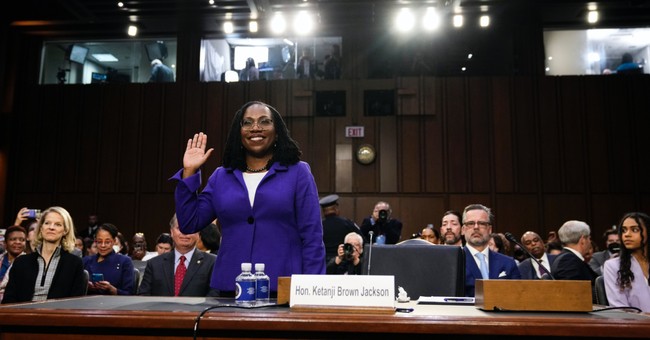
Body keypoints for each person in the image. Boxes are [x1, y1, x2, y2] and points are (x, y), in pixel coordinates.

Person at [170, 100, 325, 296]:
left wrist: (312, 290)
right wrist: (189, 172)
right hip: (230, 287)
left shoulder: (298, 172)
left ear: (277, 132)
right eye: (247, 123)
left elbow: (312, 237)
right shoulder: (221, 176)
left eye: (264, 121)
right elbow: (189, 222)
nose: (256, 128)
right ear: (238, 132)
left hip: (283, 287)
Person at [2, 206, 85, 303]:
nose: (51, 227)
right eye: (47, 223)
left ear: (65, 230)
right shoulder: (21, 262)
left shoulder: (74, 263)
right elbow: (8, 300)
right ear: (41, 228)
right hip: (23, 315)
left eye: (58, 224)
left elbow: (76, 302)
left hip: (57, 315)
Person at [139, 214, 217, 296]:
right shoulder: (154, 264)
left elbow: (214, 297)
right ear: (172, 232)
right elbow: (143, 296)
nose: (185, 233)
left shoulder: (212, 263)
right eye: (180, 228)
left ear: (198, 234)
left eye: (190, 228)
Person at [461, 204, 520, 297]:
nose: (476, 227)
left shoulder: (508, 263)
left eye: (482, 223)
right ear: (463, 230)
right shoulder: (453, 263)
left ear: (489, 229)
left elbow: (518, 297)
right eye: (471, 223)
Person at [604, 212, 650, 312]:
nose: (627, 235)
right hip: (635, 325)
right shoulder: (613, 266)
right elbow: (620, 309)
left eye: (635, 230)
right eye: (624, 230)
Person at [83, 223, 135, 295]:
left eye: (107, 242)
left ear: (114, 241)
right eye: (99, 242)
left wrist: (112, 289)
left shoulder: (124, 261)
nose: (103, 245)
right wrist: (85, 285)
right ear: (95, 241)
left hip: (114, 304)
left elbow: (129, 293)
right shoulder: (86, 261)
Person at [550, 220, 598, 287]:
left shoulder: (568, 258)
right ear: (583, 240)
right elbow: (572, 292)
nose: (590, 242)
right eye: (589, 238)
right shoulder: (568, 260)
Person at [319, 194, 361, 263]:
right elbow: (361, 240)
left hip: (323, 262)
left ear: (323, 212)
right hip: (343, 261)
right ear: (336, 209)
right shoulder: (347, 223)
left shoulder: (319, 226)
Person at [0, 226, 27, 301]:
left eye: (22, 240)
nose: (18, 242)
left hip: (13, 304)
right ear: (5, 243)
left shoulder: (29, 263)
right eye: (13, 239)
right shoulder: (1, 258)